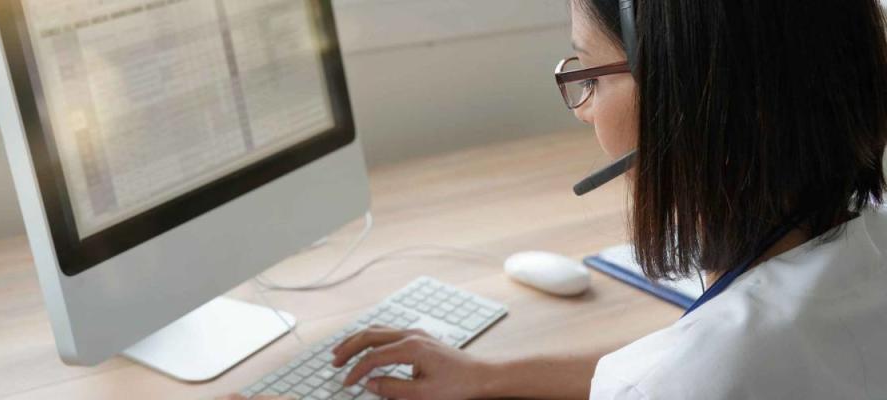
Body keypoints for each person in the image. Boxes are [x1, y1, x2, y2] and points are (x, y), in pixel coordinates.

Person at [228, 0, 887, 398]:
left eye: (587, 73)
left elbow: (669, 381)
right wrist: (486, 376)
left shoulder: (693, 378)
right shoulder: (864, 242)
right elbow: (663, 371)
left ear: (681, 106)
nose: (582, 110)